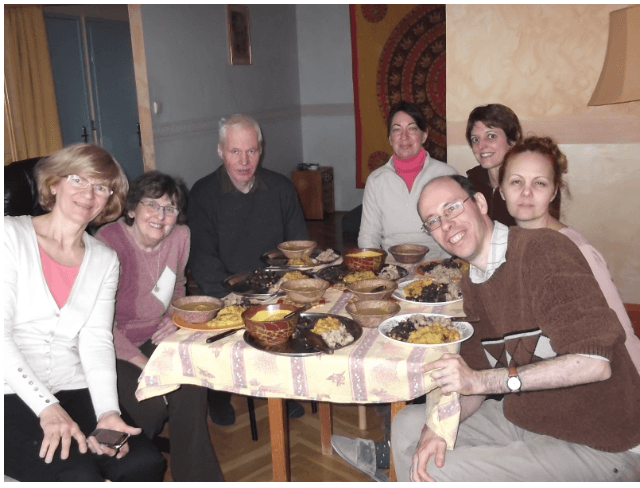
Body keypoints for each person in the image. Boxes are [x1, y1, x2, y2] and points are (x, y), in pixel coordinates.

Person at [390, 174, 640, 482]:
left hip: (604, 442)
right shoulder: (472, 283)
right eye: (433, 220)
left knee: (434, 469)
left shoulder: (543, 250)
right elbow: (474, 378)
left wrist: (483, 381)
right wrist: (438, 427)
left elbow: (595, 363)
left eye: (452, 208)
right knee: (408, 425)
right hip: (532, 418)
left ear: (480, 203)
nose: (446, 225)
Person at [4, 143, 165, 482]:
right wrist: (48, 408)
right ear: (53, 184)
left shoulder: (104, 260)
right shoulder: (8, 236)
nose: (88, 194)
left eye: (101, 187)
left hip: (72, 384)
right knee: (77, 474)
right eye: (77, 179)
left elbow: (96, 341)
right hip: (10, 390)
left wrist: (108, 411)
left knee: (142, 462)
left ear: (109, 199)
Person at [96, 171, 225, 481]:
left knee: (191, 378)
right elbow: (99, 323)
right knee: (151, 405)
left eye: (170, 208)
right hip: (112, 345)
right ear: (131, 209)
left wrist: (172, 318)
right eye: (151, 205)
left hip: (155, 334)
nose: (161, 215)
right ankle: (114, 460)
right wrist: (147, 365)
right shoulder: (110, 241)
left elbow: (177, 285)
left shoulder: (180, 237)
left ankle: (196, 479)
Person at [188, 114, 308, 424]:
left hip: (275, 287)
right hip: (225, 290)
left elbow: (298, 247)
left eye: (251, 151)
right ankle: (218, 393)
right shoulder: (202, 193)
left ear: (261, 150)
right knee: (221, 328)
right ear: (220, 151)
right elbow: (202, 258)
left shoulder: (281, 188)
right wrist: (230, 298)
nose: (244, 161)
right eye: (235, 152)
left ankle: (277, 390)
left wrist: (289, 286)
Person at [498, 135, 640, 373]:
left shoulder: (576, 249)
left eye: (539, 183)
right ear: (501, 189)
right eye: (516, 182)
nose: (526, 192)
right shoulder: (511, 244)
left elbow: (622, 331)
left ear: (554, 192)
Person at [358, 101, 457, 256]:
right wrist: (375, 266)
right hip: (391, 262)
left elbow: (457, 227)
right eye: (396, 130)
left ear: (424, 135)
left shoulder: (446, 175)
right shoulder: (376, 180)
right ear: (390, 138)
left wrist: (444, 265)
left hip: (437, 260)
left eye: (412, 128)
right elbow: (368, 236)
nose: (404, 137)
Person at [465, 103, 523, 226]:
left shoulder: (529, 185)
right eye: (475, 139)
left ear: (514, 139)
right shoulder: (471, 184)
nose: (481, 146)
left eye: (491, 136)